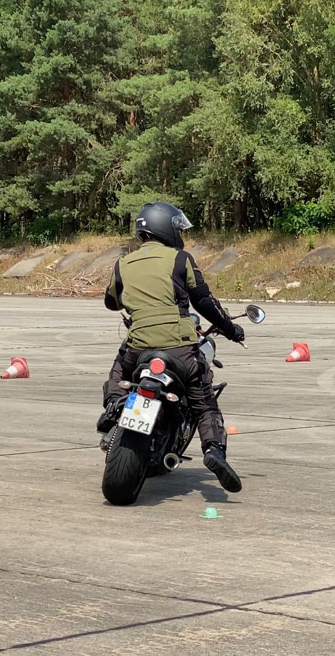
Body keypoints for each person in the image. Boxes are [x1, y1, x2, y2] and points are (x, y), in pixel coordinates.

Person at [97, 201, 245, 493]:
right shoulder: (180, 259)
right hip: (180, 348)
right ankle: (214, 450)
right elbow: (204, 301)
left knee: (118, 373)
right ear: (165, 227)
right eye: (177, 228)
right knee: (204, 402)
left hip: (138, 347)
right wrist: (232, 329)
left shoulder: (123, 264)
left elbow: (111, 302)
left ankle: (114, 407)